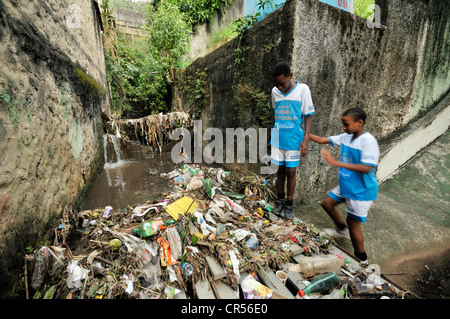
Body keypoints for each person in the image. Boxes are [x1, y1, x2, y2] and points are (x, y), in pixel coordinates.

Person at [309, 108, 379, 266]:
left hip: (360, 191)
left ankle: (362, 260)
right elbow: (321, 140)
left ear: (359, 123)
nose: (343, 128)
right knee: (327, 203)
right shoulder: (346, 137)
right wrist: (303, 133)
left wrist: (334, 162)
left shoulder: (368, 142)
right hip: (346, 185)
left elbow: (367, 167)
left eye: (346, 124)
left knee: (354, 223)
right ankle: (341, 229)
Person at [270, 62, 315, 219]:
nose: (279, 88)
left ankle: (289, 203)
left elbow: (307, 116)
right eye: (277, 84)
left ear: (290, 76)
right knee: (279, 170)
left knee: (291, 171)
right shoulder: (275, 92)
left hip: (294, 138)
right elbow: (276, 112)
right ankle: (279, 200)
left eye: (282, 83)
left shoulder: (303, 90)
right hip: (278, 138)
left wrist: (306, 139)